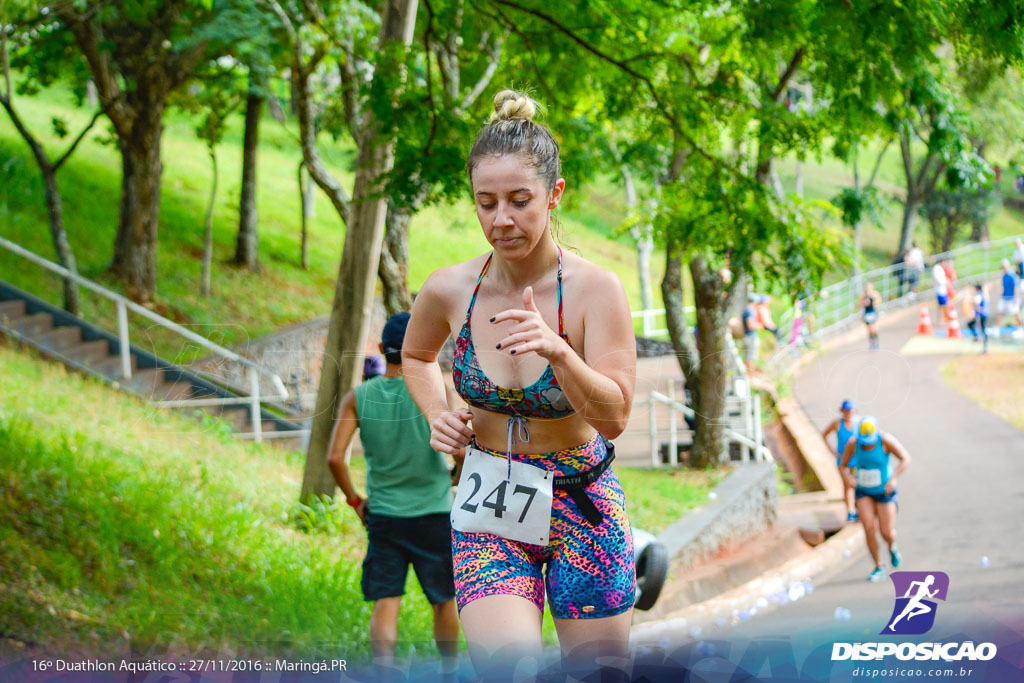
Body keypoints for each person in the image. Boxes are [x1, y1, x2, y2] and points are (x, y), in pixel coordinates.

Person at [401, 90, 637, 675]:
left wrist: (560, 353)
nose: (501, 219)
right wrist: (437, 412)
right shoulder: (449, 289)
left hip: (583, 503)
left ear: (553, 196)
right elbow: (416, 355)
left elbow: (615, 417)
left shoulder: (595, 290)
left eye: (519, 201)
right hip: (490, 503)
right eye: (486, 203)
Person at [326, 313, 460, 674]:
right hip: (435, 513)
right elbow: (460, 451)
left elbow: (335, 457)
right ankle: (450, 673)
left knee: (386, 601)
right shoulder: (434, 392)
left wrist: (355, 500)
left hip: (385, 515)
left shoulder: (359, 397)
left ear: (383, 350)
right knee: (445, 601)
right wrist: (454, 477)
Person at [839, 416, 911, 582]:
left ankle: (892, 546)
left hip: (884, 491)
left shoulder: (885, 440)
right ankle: (879, 566)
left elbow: (905, 458)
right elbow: (842, 465)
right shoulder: (853, 443)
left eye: (869, 441)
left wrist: (894, 479)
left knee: (886, 532)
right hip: (863, 491)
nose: (866, 445)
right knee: (869, 528)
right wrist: (849, 479)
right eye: (864, 442)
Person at [821, 400, 860, 522]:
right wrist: (832, 451)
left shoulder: (858, 422)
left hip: (857, 460)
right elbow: (824, 435)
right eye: (846, 410)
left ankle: (859, 509)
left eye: (850, 410)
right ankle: (850, 512)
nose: (848, 413)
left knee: (858, 485)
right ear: (842, 411)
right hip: (843, 461)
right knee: (847, 486)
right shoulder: (837, 424)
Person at [996, 259, 1023, 331]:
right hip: (1004, 297)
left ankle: (1020, 328)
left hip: (1011, 297)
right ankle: (997, 328)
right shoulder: (1004, 275)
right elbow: (1003, 286)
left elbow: (1015, 287)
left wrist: (1015, 297)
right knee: (999, 311)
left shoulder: (1012, 275)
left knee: (1016, 312)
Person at [742, 294, 763, 375]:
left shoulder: (747, 310)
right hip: (749, 337)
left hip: (749, 337)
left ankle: (750, 376)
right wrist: (760, 325)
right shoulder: (749, 311)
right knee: (749, 358)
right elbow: (750, 325)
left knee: (749, 358)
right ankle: (751, 377)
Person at [966, 283, 990, 353]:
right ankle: (977, 338)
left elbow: (976, 301)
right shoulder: (983, 294)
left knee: (982, 330)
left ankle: (984, 348)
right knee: (972, 325)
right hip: (983, 314)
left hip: (981, 315)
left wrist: (969, 298)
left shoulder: (979, 294)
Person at [860, 283, 882, 350]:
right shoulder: (863, 296)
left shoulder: (875, 294)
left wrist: (874, 302)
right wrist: (864, 303)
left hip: (873, 312)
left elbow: (879, 301)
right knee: (870, 330)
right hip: (867, 313)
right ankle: (872, 344)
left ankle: (877, 343)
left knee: (874, 329)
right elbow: (859, 304)